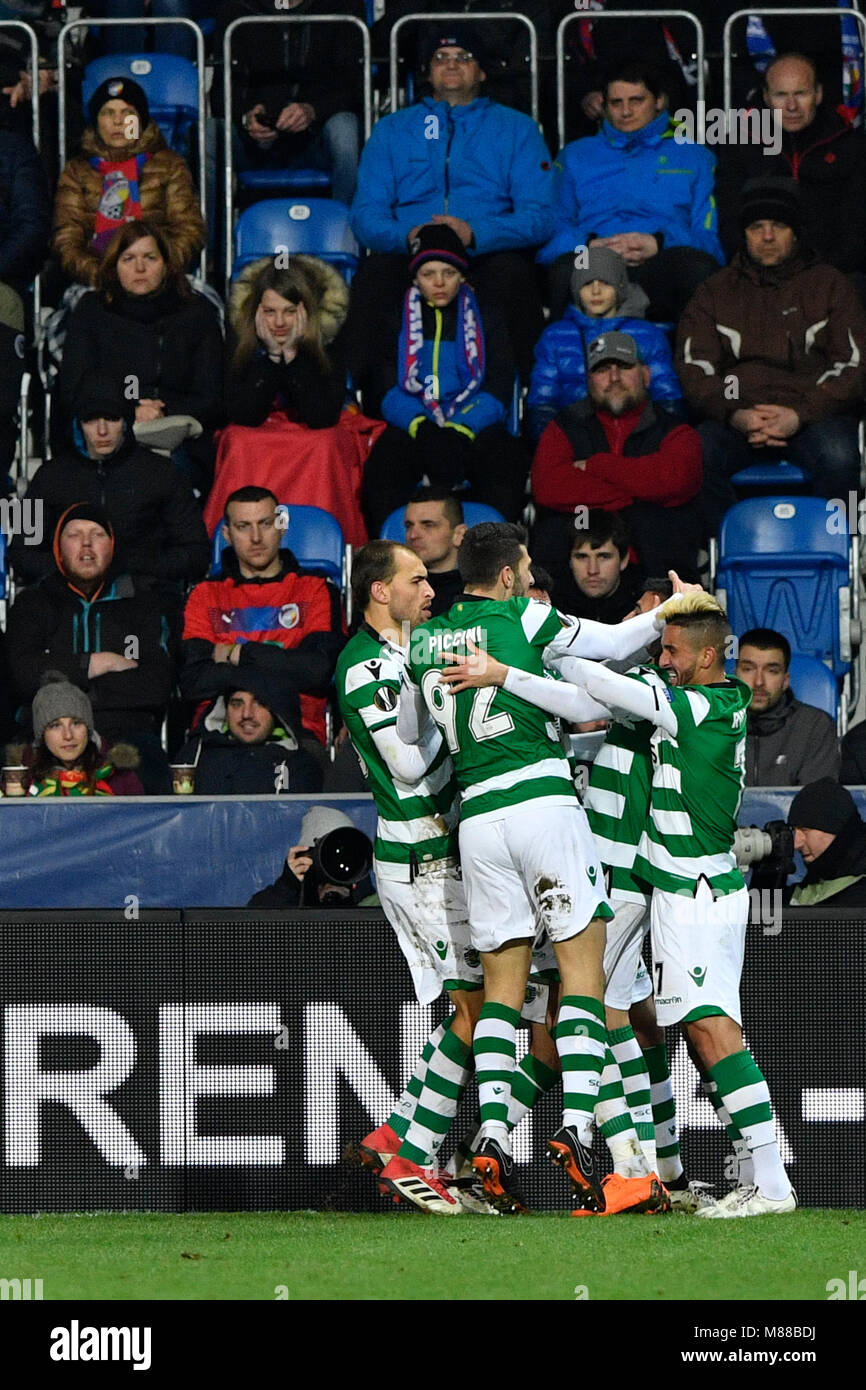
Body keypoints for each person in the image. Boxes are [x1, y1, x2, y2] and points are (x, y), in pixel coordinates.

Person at [401, 521, 699, 1213]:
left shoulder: (423, 640)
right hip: (542, 801)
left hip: (477, 819)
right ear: (509, 575)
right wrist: (672, 608)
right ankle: (576, 1129)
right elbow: (619, 643)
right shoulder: (524, 616)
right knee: (581, 977)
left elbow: (414, 742)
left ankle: (497, 1134)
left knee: (502, 990)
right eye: (527, 564)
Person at [510, 595, 796, 1217]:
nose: (663, 660)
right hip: (681, 891)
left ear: (708, 655)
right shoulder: (700, 702)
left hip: (697, 893)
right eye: (661, 649)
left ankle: (772, 1184)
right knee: (700, 1036)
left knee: (713, 1033)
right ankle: (750, 1177)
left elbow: (599, 680)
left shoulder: (702, 707)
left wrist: (538, 639)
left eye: (672, 650)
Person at [347, 24, 555, 391]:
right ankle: (367, 402)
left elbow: (540, 216)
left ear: (482, 71)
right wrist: (408, 235)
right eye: (440, 58)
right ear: (427, 72)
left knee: (514, 276)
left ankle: (529, 398)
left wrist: (476, 233)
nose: (452, 65)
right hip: (411, 250)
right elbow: (365, 215)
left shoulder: (517, 129)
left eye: (464, 58)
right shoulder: (392, 129)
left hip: (485, 250)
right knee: (375, 276)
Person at [677, 177, 866, 533]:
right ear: (744, 233)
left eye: (778, 226)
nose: (766, 237)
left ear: (795, 232)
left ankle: (844, 554)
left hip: (812, 416)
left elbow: (854, 365)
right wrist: (736, 413)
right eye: (756, 227)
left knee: (842, 457)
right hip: (737, 416)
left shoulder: (830, 284)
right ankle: (733, 552)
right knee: (692, 454)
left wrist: (800, 413)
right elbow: (694, 368)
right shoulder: (714, 292)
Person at [359, 224, 527, 535]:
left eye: (448, 273)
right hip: (414, 424)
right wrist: (420, 425)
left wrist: (462, 428)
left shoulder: (485, 314)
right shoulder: (395, 316)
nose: (438, 283)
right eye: (428, 274)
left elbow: (499, 382)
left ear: (462, 275)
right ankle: (386, 553)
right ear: (415, 277)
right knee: (384, 463)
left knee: (504, 456)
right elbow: (382, 384)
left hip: (469, 423)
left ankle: (494, 549)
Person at [5, 504, 174, 794]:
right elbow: (22, 676)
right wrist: (100, 663)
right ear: (58, 546)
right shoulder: (34, 603)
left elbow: (156, 685)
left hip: (126, 735)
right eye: (74, 535)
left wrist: (62, 678)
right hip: (46, 737)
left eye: (97, 534)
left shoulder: (142, 604)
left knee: (152, 775)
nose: (86, 544)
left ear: (112, 545)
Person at [203, 256, 370, 549]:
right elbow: (243, 414)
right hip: (260, 432)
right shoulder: (239, 347)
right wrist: (269, 357)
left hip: (311, 435)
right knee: (239, 441)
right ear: (255, 312)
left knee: (324, 444)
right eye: (269, 312)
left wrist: (292, 355)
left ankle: (319, 543)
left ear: (306, 312)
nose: (278, 322)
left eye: (289, 312)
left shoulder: (330, 347)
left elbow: (320, 417)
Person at [538, 61, 723, 322]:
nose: (625, 111)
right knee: (564, 268)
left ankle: (694, 360)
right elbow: (549, 234)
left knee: (698, 268)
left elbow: (711, 242)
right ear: (604, 105)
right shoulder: (574, 156)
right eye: (616, 103)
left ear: (660, 101)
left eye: (636, 100)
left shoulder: (696, 157)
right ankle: (560, 359)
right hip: (594, 258)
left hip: (664, 259)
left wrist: (659, 243)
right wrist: (589, 244)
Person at [181, 486, 345, 771]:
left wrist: (236, 654)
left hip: (299, 733)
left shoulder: (315, 589)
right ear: (227, 535)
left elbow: (318, 672)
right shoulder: (205, 595)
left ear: (281, 526)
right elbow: (194, 681)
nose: (256, 538)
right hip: (215, 735)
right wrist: (281, 662)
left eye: (265, 524)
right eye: (243, 527)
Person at [56, 219, 223, 488]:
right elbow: (74, 389)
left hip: (179, 436)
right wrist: (130, 408)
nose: (140, 268)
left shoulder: (197, 313)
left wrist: (162, 410)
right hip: (106, 429)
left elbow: (212, 395)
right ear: (113, 267)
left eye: (150, 257)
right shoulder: (91, 311)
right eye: (129, 258)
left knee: (166, 476)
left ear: (167, 264)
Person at [9, 370, 209, 593]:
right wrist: (76, 570)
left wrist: (134, 567)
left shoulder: (164, 473)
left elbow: (197, 551)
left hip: (142, 598)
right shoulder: (47, 476)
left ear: (126, 421)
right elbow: (20, 552)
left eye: (112, 418)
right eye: (91, 419)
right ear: (77, 423)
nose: (102, 430)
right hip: (67, 601)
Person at [531, 331, 703, 586]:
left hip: (650, 553)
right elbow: (548, 486)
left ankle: (675, 616)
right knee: (554, 529)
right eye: (603, 370)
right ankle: (550, 620)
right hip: (583, 542)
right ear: (589, 380)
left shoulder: (676, 430)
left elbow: (676, 481)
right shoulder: (564, 425)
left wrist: (597, 465)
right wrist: (635, 490)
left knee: (657, 522)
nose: (614, 378)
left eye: (624, 367)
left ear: (646, 375)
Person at [715, 53, 866, 285]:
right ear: (766, 97)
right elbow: (730, 220)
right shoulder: (739, 144)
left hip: (832, 274)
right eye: (781, 95)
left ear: (818, 94)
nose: (792, 106)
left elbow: (856, 225)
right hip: (757, 273)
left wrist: (820, 274)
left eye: (800, 93)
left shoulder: (849, 144)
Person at [52, 76, 205, 289]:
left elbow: (189, 230)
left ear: (140, 121)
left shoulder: (170, 165)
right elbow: (67, 239)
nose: (118, 121)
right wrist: (102, 276)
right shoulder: (77, 171)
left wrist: (157, 271)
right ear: (96, 122)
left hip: (161, 279)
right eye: (108, 113)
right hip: (96, 282)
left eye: (128, 113)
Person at [212, 0, 364, 207]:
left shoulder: (342, 7)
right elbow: (221, 91)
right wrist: (246, 117)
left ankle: (347, 233)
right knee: (207, 134)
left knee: (345, 128)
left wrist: (313, 111)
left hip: (316, 139)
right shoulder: (238, 7)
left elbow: (355, 88)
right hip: (253, 142)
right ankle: (211, 238)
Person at [528, 244, 682, 445]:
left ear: (619, 287)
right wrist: (553, 446)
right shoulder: (554, 336)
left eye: (605, 283)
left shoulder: (648, 334)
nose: (596, 291)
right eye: (587, 284)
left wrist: (660, 444)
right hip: (574, 435)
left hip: (636, 436)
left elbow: (667, 397)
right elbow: (542, 402)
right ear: (576, 290)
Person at [174, 671, 322, 796]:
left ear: (278, 713)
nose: (246, 714)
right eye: (237, 704)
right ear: (225, 709)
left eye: (259, 703)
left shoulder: (297, 765)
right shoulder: (196, 755)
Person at [7, 670, 144, 796]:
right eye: (55, 726)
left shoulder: (120, 776)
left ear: (88, 728)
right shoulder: (19, 776)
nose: (68, 736)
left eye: (76, 723)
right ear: (42, 734)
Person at [735, 628, 840, 787]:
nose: (758, 682)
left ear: (785, 680)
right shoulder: (710, 727)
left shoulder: (815, 727)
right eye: (748, 669)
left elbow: (818, 805)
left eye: (772, 671)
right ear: (735, 676)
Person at [248, 806, 375, 908]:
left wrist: (358, 893)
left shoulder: (359, 877)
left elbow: (381, 915)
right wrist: (288, 885)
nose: (334, 861)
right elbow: (255, 921)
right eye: (326, 854)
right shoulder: (293, 891)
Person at [548, 508, 643, 622]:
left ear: (624, 560)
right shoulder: (550, 604)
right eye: (582, 557)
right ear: (569, 561)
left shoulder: (645, 601)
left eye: (603, 557)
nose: (592, 570)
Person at [785, 777, 866, 907]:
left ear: (836, 829)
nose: (796, 844)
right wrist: (767, 879)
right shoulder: (801, 891)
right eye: (795, 831)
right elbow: (763, 923)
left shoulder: (859, 894)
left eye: (805, 831)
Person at [402, 486, 466, 618]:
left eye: (428, 525)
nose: (413, 535)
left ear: (459, 534)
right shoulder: (394, 589)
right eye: (409, 526)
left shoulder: (481, 588)